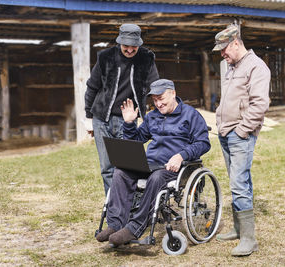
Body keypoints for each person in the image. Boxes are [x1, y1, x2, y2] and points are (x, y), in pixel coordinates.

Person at [95, 79, 211, 247]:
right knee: (121, 172)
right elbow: (135, 140)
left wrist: (181, 155)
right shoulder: (152, 116)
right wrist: (128, 123)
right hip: (149, 164)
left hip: (175, 166)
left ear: (173, 93)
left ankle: (134, 227)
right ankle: (115, 225)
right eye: (154, 100)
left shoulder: (191, 115)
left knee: (156, 178)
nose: (158, 103)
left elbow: (203, 143)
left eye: (161, 98)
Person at [212, 25, 271, 256]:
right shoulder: (231, 67)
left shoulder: (257, 67)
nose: (222, 54)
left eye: (224, 49)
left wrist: (242, 130)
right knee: (239, 181)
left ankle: (249, 239)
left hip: (239, 135)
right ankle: (238, 229)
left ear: (236, 42)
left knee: (238, 183)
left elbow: (260, 104)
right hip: (226, 133)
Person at [85, 24, 159, 196]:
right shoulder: (105, 57)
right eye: (126, 45)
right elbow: (92, 87)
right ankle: (113, 207)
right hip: (101, 118)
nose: (130, 49)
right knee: (107, 167)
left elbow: (154, 86)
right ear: (119, 42)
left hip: (127, 120)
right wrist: (88, 117)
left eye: (134, 45)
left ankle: (130, 205)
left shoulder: (146, 58)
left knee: (128, 166)